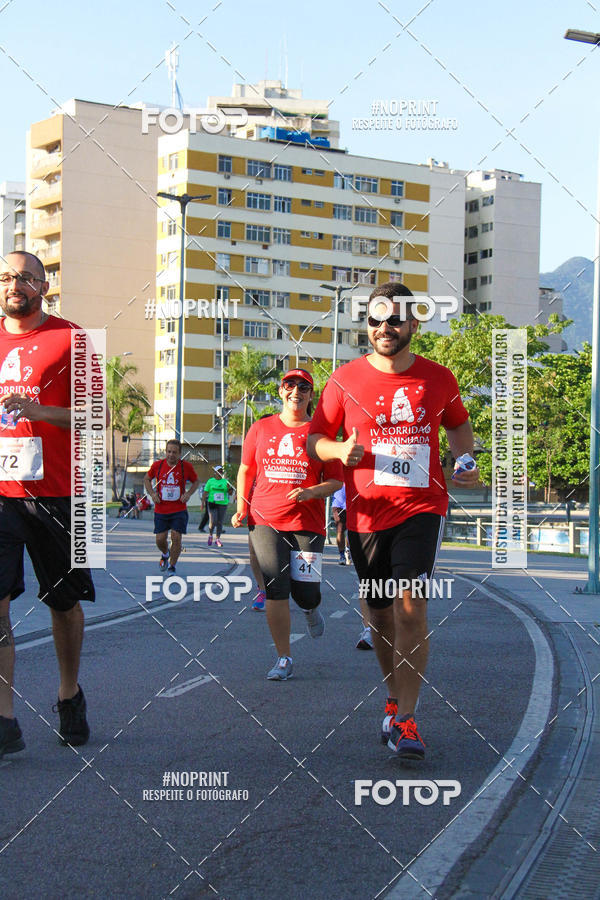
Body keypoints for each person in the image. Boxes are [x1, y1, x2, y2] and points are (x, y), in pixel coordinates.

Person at [308, 283, 479, 759]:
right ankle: (392, 694)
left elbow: (458, 424)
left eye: (395, 321)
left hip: (422, 507)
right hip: (364, 512)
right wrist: (338, 449)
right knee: (380, 612)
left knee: (411, 605)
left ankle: (406, 720)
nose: (384, 329)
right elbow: (315, 439)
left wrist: (465, 460)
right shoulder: (344, 380)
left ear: (413, 325)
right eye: (375, 320)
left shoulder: (438, 379)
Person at [0, 251, 104, 756]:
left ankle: (69, 694)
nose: (12, 284)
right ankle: (4, 718)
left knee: (63, 603)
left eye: (22, 276)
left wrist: (38, 409)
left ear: (44, 284)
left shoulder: (72, 337)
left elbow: (98, 415)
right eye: (4, 276)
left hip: (64, 493)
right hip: (2, 493)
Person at [232, 369, 343, 681]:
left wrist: (311, 492)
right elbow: (245, 470)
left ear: (311, 394)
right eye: (290, 385)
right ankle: (283, 657)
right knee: (275, 589)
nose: (296, 391)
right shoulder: (261, 428)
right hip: (265, 519)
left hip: (307, 524)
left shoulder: (320, 435)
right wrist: (242, 508)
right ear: (281, 391)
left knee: (306, 592)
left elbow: (335, 480)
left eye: (304, 387)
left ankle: (310, 609)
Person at [144, 439, 199, 574]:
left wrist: (188, 494)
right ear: (166, 452)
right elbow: (146, 479)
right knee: (160, 539)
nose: (171, 455)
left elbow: (196, 481)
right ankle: (165, 553)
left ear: (180, 453)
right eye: (169, 451)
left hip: (178, 510)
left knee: (176, 536)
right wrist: (152, 494)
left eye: (174, 452)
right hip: (161, 509)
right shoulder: (157, 465)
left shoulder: (186, 467)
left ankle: (172, 566)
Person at [203, 465, 230, 548]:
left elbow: (230, 493)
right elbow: (205, 493)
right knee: (213, 521)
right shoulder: (210, 481)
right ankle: (210, 535)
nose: (220, 473)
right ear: (215, 473)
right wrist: (202, 503)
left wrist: (230, 488)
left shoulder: (225, 482)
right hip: (212, 503)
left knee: (219, 522)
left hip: (223, 504)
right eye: (219, 471)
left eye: (221, 471)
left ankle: (217, 539)